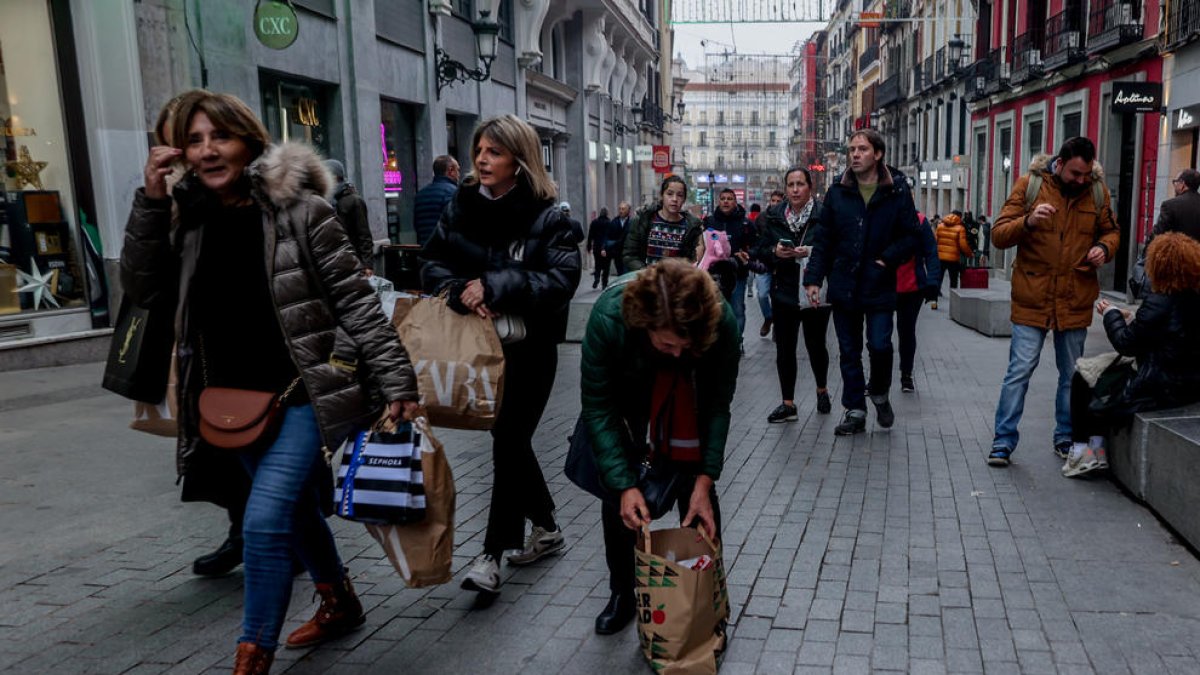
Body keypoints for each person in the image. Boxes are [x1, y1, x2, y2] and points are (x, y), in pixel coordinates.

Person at [122, 90, 420, 674]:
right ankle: (339, 599)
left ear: (248, 139)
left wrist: (396, 380)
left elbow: (356, 305)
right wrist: (151, 201)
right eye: (194, 140)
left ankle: (252, 653)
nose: (208, 151)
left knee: (262, 520)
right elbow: (143, 288)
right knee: (294, 511)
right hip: (228, 401)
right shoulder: (182, 217)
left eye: (219, 137)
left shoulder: (302, 212)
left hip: (304, 391)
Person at [420, 114, 582, 596]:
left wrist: (494, 284)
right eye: (479, 151)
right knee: (511, 441)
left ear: (519, 158)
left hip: (530, 349)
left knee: (508, 441)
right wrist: (456, 291)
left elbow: (561, 281)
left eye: (495, 151)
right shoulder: (461, 205)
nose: (483, 160)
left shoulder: (549, 215)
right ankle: (547, 528)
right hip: (476, 345)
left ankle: (491, 555)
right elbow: (431, 261)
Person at [579, 258, 739, 635]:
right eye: (669, 343)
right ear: (644, 323)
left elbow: (718, 405)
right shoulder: (609, 317)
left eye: (687, 345)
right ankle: (623, 591)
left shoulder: (720, 322)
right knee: (617, 494)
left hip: (689, 400)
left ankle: (704, 597)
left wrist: (705, 481)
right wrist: (625, 485)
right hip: (629, 402)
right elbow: (598, 408)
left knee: (698, 500)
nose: (678, 353)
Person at [987, 137, 1120, 467]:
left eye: (1085, 175)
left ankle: (1064, 438)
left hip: (1074, 297)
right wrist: (1029, 220)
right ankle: (1003, 442)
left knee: (1071, 376)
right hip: (1033, 295)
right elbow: (999, 234)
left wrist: (1104, 249)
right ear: (1059, 164)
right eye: (1075, 173)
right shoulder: (1030, 184)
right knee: (1019, 370)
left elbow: (1112, 232)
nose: (1080, 180)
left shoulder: (1098, 191)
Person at [803, 129, 920, 436]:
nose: (854, 154)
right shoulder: (838, 191)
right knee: (849, 350)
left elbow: (911, 235)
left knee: (880, 344)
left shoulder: (896, 189)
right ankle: (855, 409)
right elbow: (824, 238)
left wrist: (887, 259)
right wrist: (814, 278)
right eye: (851, 149)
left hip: (879, 283)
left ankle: (879, 392)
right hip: (844, 283)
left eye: (862, 149)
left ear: (877, 154)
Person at [1064, 232, 1200, 476]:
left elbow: (1126, 344)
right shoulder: (1191, 297)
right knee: (1100, 374)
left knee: (1085, 376)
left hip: (1157, 384)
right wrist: (1130, 316)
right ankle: (1095, 450)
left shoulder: (1160, 299)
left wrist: (1111, 314)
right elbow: (1165, 331)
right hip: (1189, 383)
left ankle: (1085, 452)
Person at [754, 166, 834, 422]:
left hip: (814, 290)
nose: (796, 189)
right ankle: (788, 403)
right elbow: (760, 249)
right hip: (785, 290)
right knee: (785, 349)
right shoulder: (774, 216)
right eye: (791, 185)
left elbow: (833, 248)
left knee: (815, 345)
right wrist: (775, 253)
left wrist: (811, 252)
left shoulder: (824, 215)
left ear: (810, 187)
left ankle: (822, 389)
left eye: (800, 184)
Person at [895, 213, 941, 393]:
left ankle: (906, 374)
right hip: (883, 287)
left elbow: (931, 252)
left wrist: (933, 282)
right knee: (879, 336)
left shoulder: (920, 221)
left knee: (906, 332)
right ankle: (877, 377)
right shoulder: (880, 215)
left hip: (912, 288)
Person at [703, 188, 755, 340]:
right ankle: (721, 342)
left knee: (737, 308)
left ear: (735, 202)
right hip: (715, 275)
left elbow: (756, 245)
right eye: (723, 198)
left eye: (730, 199)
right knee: (716, 310)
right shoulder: (710, 221)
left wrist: (746, 255)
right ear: (718, 201)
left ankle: (736, 341)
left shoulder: (745, 223)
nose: (726, 201)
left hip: (738, 273)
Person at [623, 176, 703, 272]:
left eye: (680, 195)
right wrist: (644, 271)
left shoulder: (691, 227)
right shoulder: (644, 220)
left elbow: (693, 260)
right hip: (647, 282)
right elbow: (629, 255)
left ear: (684, 199)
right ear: (662, 196)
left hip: (676, 283)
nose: (674, 199)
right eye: (669, 194)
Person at [324, 160, 375, 275]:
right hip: (334, 262)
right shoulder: (326, 201)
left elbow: (364, 235)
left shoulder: (354, 201)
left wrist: (367, 265)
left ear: (335, 177)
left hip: (354, 261)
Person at [414, 155, 460, 246]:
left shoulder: (420, 195)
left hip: (424, 251)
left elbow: (417, 226)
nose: (459, 174)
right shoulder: (453, 192)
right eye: (457, 170)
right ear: (450, 170)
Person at [1148, 168, 1200, 244]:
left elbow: (1158, 233)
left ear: (1182, 183)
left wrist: (1146, 252)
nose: (1174, 185)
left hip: (1177, 254)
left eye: (1175, 182)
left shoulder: (1169, 205)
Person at [934, 211, 973, 304]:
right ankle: (953, 294)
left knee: (939, 276)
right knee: (953, 278)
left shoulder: (940, 226)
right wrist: (969, 253)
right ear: (959, 217)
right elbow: (963, 244)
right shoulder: (960, 228)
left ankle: (936, 292)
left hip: (940, 257)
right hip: (953, 258)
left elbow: (935, 240)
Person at [588, 207, 613, 289]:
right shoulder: (609, 223)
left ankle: (597, 278)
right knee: (606, 266)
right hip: (606, 248)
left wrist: (589, 247)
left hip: (596, 247)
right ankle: (604, 283)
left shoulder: (594, 222)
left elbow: (590, 236)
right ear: (607, 214)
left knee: (597, 264)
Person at [610, 201, 633, 276]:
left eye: (623, 209)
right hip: (617, 254)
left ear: (628, 210)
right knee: (620, 274)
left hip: (629, 254)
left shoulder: (632, 222)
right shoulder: (614, 221)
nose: (621, 211)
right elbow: (609, 236)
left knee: (626, 274)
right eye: (619, 209)